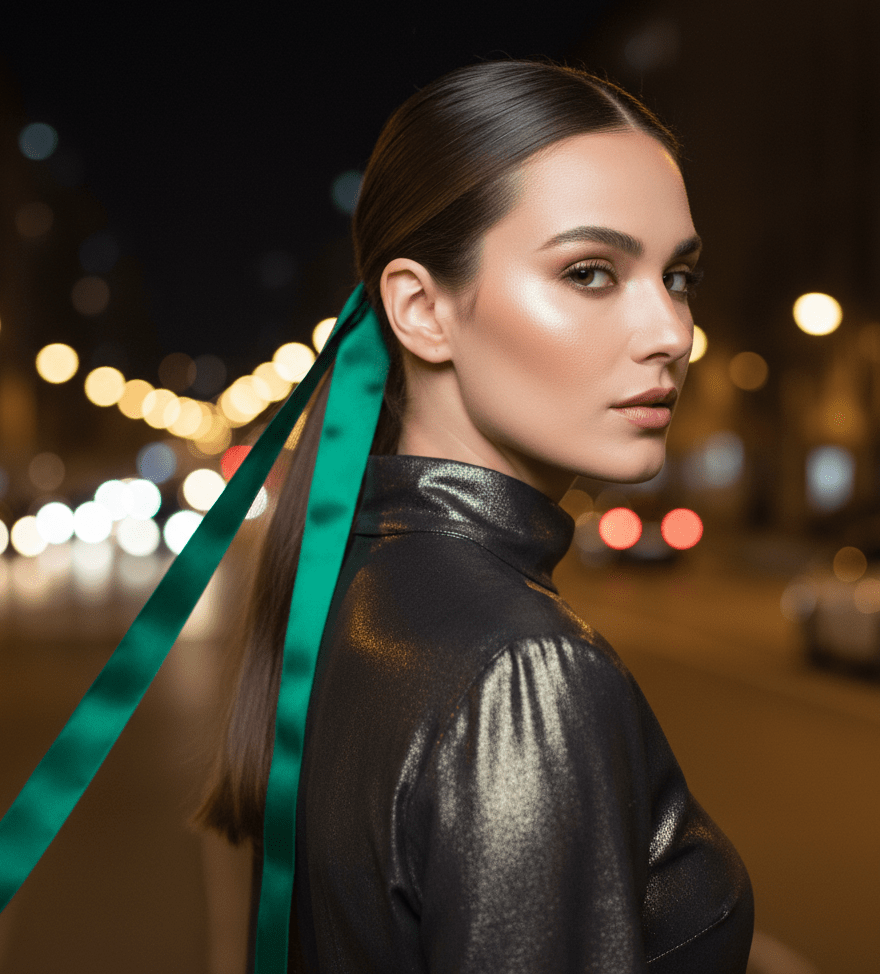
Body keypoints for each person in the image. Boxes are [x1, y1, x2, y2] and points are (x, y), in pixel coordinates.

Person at [198, 59, 754, 973]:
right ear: (422, 310)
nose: (669, 331)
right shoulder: (526, 676)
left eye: (680, 275)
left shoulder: (356, 578)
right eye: (590, 272)